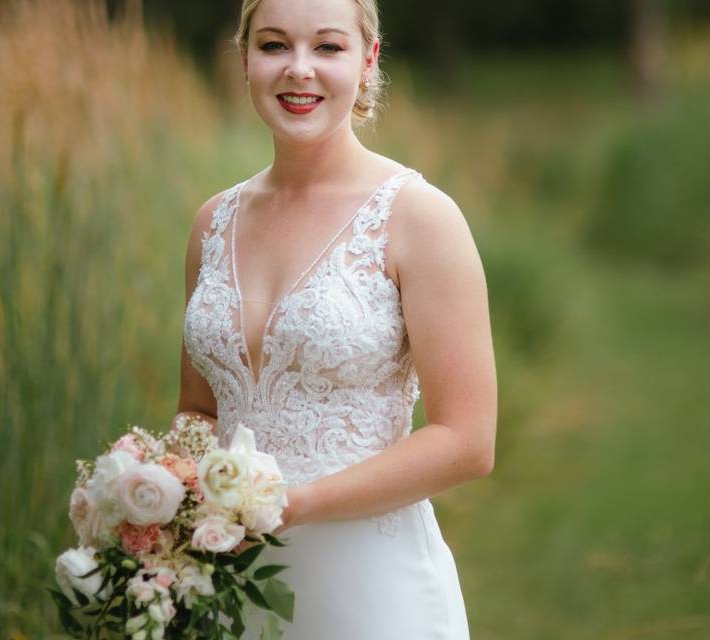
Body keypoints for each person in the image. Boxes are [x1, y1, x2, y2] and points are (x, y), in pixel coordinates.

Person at [175, 0, 497, 637]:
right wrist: (163, 499)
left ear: (368, 60)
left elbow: (467, 441)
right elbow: (200, 411)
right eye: (273, 46)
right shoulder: (212, 223)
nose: (299, 70)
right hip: (230, 589)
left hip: (372, 591)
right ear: (244, 60)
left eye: (327, 47)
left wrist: (294, 506)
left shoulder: (419, 218)